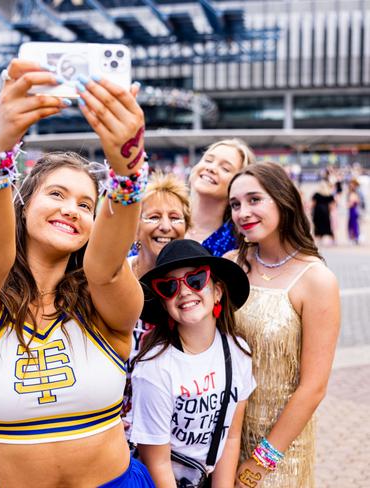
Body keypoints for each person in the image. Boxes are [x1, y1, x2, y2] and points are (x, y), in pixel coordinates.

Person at [0, 60, 154, 486]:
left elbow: (106, 269)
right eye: (56, 194)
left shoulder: (106, 302)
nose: (71, 210)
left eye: (86, 204)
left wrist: (127, 168)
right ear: (24, 205)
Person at [228, 162, 340, 488]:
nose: (242, 212)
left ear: (282, 199)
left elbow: (313, 387)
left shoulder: (316, 279)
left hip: (282, 450)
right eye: (235, 204)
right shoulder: (232, 264)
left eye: (254, 200)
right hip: (223, 436)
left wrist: (259, 465)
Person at [129, 239, 254, 488]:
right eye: (169, 287)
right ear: (164, 303)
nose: (184, 291)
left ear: (217, 291)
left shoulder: (238, 352)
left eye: (196, 280)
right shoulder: (154, 369)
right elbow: (158, 462)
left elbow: (229, 437)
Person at [122, 172, 191, 434]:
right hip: (115, 428)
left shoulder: (193, 287)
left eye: (175, 218)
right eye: (153, 217)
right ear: (136, 228)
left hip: (170, 431)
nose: (165, 227)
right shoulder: (115, 277)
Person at [186, 139, 256, 256]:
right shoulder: (165, 219)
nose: (211, 168)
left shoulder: (239, 245)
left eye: (225, 168)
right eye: (208, 160)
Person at [311, 178, 336, 246]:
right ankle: (333, 240)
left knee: (318, 226)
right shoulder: (328, 194)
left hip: (317, 212)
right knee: (327, 226)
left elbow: (313, 203)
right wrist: (330, 209)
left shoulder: (316, 194)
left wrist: (311, 211)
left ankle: (318, 240)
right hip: (325, 212)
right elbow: (333, 203)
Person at [347, 178, 361, 244]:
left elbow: (355, 202)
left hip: (353, 210)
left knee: (353, 224)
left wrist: (350, 203)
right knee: (352, 224)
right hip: (352, 210)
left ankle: (355, 237)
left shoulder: (355, 193)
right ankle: (354, 237)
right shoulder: (352, 193)